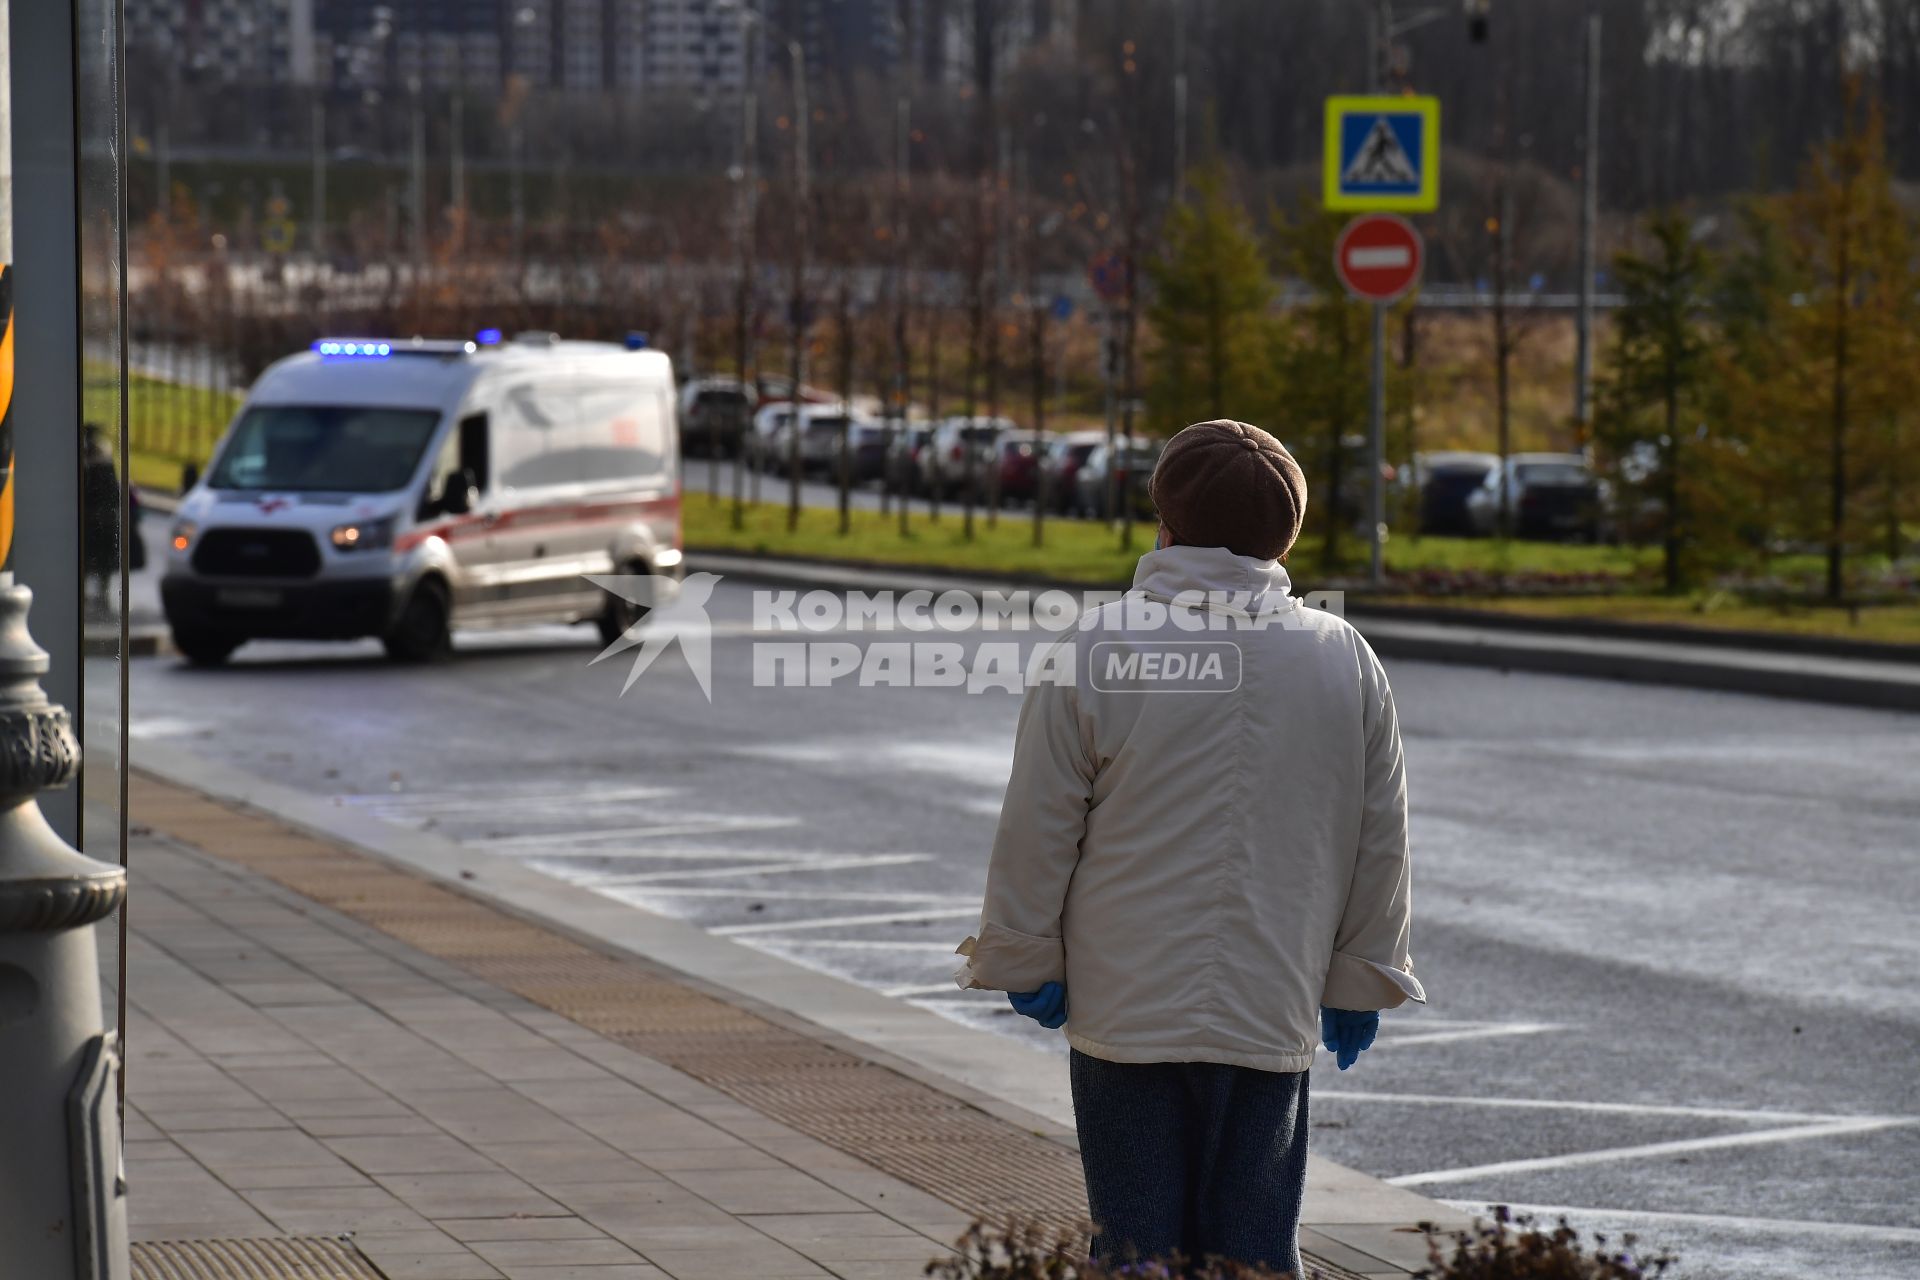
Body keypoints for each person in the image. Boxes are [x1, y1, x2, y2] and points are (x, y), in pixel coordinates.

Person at [955, 419, 1424, 1276]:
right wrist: (1359, 976)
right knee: (1253, 1249)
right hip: (1269, 1001)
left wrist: (1025, 956)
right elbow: (1379, 836)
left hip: (1124, 1006)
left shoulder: (1096, 645)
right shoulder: (1344, 659)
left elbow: (1039, 823)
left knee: (1135, 1246)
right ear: (1288, 534)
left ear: (1163, 523)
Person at [81, 423, 121, 612]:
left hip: (93, 519)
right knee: (101, 560)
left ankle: (95, 595)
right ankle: (101, 595)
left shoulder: (90, 462)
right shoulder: (105, 458)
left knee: (92, 558)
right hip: (104, 518)